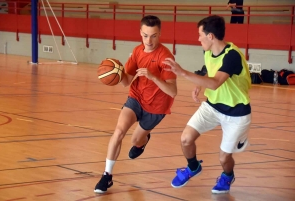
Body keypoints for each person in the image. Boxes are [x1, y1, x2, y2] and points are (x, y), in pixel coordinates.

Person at [162, 15, 251, 194]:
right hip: (213, 106)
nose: (198, 38)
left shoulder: (232, 56)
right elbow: (209, 70)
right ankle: (193, 167)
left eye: (200, 34)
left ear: (210, 36)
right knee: (186, 139)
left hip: (236, 113)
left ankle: (227, 176)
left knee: (224, 158)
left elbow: (216, 82)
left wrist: (183, 73)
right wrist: (198, 85)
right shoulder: (208, 51)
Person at [94, 15, 177, 194]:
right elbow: (126, 82)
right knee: (119, 132)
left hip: (156, 107)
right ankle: (107, 175)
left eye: (154, 36)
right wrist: (117, 70)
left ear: (160, 34)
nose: (149, 40)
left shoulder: (166, 57)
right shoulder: (137, 51)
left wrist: (153, 76)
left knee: (134, 140)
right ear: (140, 33)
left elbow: (173, 91)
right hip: (136, 98)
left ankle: (142, 141)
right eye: (146, 35)